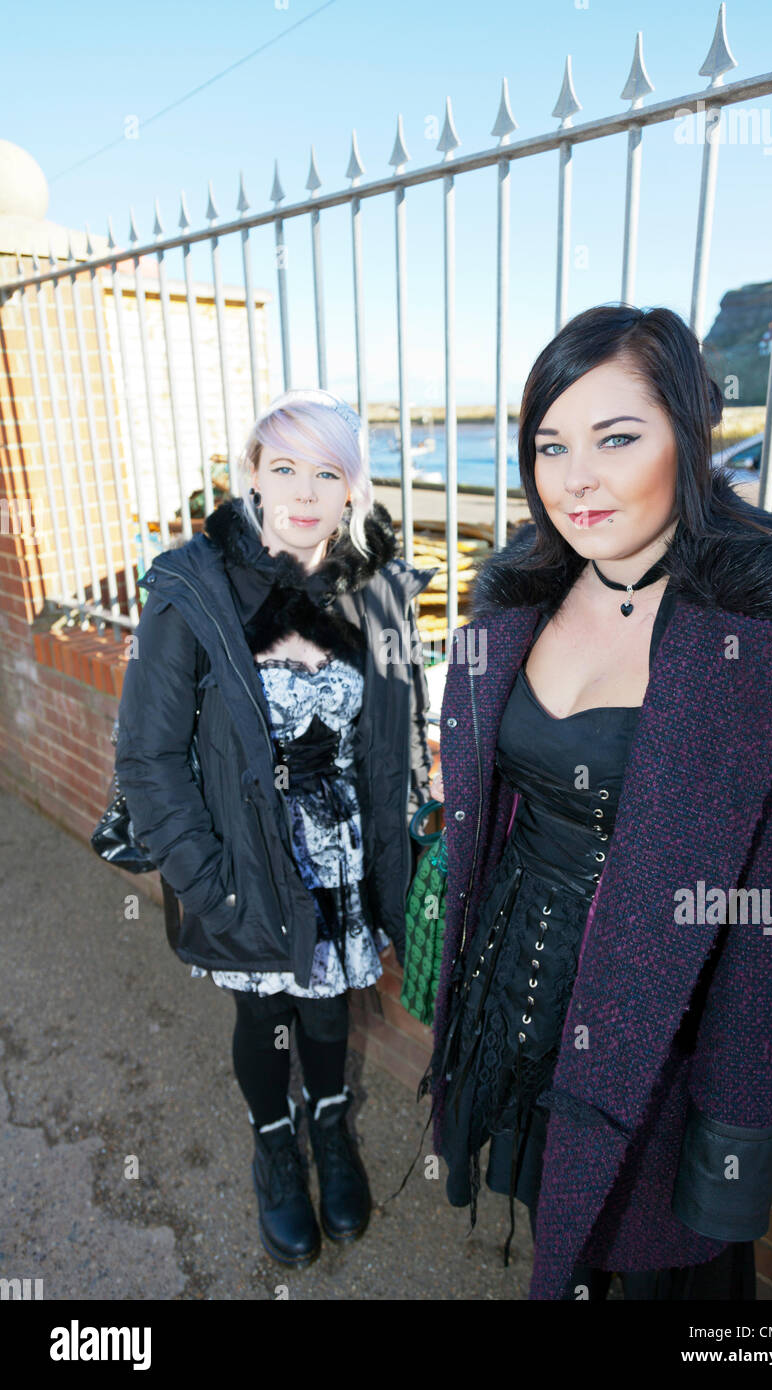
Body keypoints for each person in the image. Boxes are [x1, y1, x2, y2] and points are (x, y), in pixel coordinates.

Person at [424, 304, 772, 1301]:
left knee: (661, 1275)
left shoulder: (761, 635)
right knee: (559, 1240)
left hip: (653, 1044)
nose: (574, 477)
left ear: (687, 436)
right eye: (549, 445)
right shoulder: (517, 598)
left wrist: (728, 1148)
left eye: (615, 438)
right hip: (514, 1008)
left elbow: (767, 919)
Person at [116, 388, 435, 1269]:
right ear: (251, 474)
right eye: (284, 466)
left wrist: (405, 842)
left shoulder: (379, 594)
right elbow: (148, 760)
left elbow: (402, 737)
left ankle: (330, 1131)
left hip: (342, 858)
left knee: (328, 1010)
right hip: (242, 860)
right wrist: (210, 881)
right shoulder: (193, 588)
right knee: (267, 1019)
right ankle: (273, 1145)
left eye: (326, 471)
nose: (303, 490)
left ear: (351, 489)